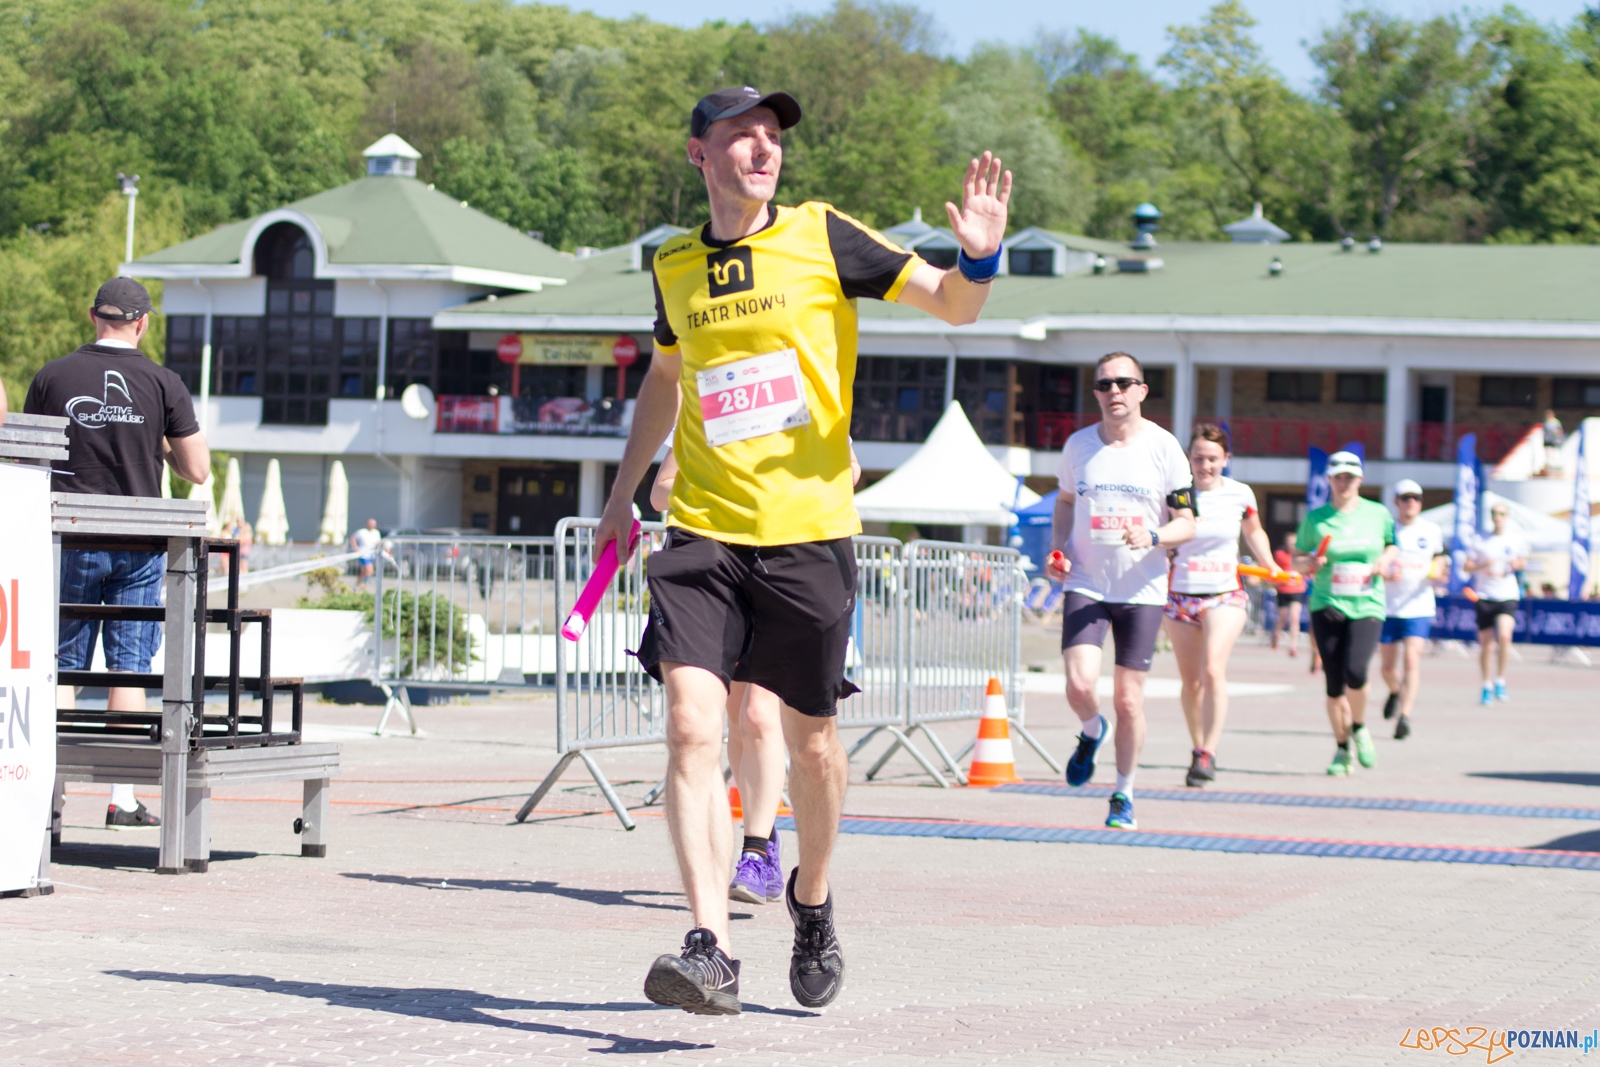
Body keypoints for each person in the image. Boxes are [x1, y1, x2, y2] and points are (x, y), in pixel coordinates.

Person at [594, 85, 1011, 1015]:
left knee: (812, 741)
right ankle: (709, 944)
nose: (762, 147)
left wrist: (980, 250)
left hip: (810, 532)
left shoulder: (825, 235)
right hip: (702, 528)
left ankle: (812, 901)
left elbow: (956, 306)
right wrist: (624, 497)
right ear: (699, 154)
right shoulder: (672, 266)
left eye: (772, 135)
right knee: (694, 728)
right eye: (741, 135)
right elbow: (666, 378)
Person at [24, 278, 211, 827]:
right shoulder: (163, 382)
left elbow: (29, 461)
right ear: (143, 323)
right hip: (139, 543)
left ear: (92, 317)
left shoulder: (52, 377)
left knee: (59, 670)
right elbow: (197, 469)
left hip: (69, 539)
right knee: (128, 670)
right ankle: (122, 798)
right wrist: (159, 447)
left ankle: (47, 803)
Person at [652, 442, 862, 907]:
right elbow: (661, 492)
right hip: (720, 571)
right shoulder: (703, 391)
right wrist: (720, 486)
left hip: (787, 568)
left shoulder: (803, 387)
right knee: (732, 725)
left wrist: (779, 489)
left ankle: (757, 849)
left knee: (759, 716)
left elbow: (848, 473)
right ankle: (756, 841)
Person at [1047, 351, 1196, 829]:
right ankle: (1092, 730)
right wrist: (1057, 548)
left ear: (1141, 391)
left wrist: (1154, 536)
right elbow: (1066, 502)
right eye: (1105, 385)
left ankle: (1123, 794)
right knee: (1079, 685)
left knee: (1130, 699)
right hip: (1087, 581)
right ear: (1096, 393)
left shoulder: (1165, 448)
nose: (1114, 391)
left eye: (1124, 383)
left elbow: (1188, 522)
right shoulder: (1078, 446)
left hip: (1143, 587)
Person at [1163, 424, 1274, 788]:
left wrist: (1269, 563)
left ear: (1226, 459)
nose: (1205, 465)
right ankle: (1197, 747)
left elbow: (1254, 531)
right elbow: (1161, 538)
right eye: (1198, 458)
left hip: (1225, 593)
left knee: (1212, 669)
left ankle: (1209, 750)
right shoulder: (1176, 494)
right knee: (1191, 681)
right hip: (1180, 595)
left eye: (1213, 458)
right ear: (1188, 459)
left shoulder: (1240, 493)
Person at [1293, 451, 1397, 777]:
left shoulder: (1378, 513)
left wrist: (1385, 560)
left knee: (1356, 671)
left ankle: (1360, 726)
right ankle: (1341, 750)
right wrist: (1308, 564)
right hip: (1327, 603)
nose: (1343, 482)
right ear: (1329, 480)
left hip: (1367, 604)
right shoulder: (1316, 518)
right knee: (1334, 684)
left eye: (1350, 477)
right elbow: (1297, 557)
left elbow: (1392, 543)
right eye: (1338, 476)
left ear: (1360, 479)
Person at [1379, 480, 1444, 740]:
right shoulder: (1386, 529)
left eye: (1415, 498)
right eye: (1405, 498)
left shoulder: (1430, 530)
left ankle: (1404, 716)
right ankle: (1395, 691)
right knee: (1387, 668)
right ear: (1396, 501)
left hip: (1419, 604)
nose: (1411, 503)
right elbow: (1376, 561)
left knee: (1411, 659)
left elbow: (1439, 558)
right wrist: (1384, 572)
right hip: (1388, 605)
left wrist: (1438, 570)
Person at [1465, 502, 1526, 705]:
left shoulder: (1515, 538)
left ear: (1507, 516)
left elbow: (1523, 560)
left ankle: (1500, 679)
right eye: (1494, 513)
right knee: (1487, 645)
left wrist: (1517, 564)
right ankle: (1486, 684)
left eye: (1501, 513)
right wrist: (1484, 564)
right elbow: (1467, 566)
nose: (1497, 516)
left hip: (1507, 594)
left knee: (1505, 635)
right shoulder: (1481, 539)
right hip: (1485, 595)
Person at [1270, 532, 1307, 657]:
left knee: (1294, 617)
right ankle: (1276, 634)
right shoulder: (1280, 555)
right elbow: (1275, 570)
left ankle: (1293, 645)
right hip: (1283, 589)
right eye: (1289, 543)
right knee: (1282, 617)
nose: (1292, 545)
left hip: (1297, 589)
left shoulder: (1301, 556)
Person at [350, 518, 381, 587]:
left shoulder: (376, 532)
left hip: (371, 554)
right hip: (363, 554)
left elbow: (378, 542)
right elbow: (353, 537)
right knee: (369, 570)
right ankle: (364, 585)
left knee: (363, 572)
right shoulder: (362, 532)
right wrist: (355, 547)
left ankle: (357, 586)